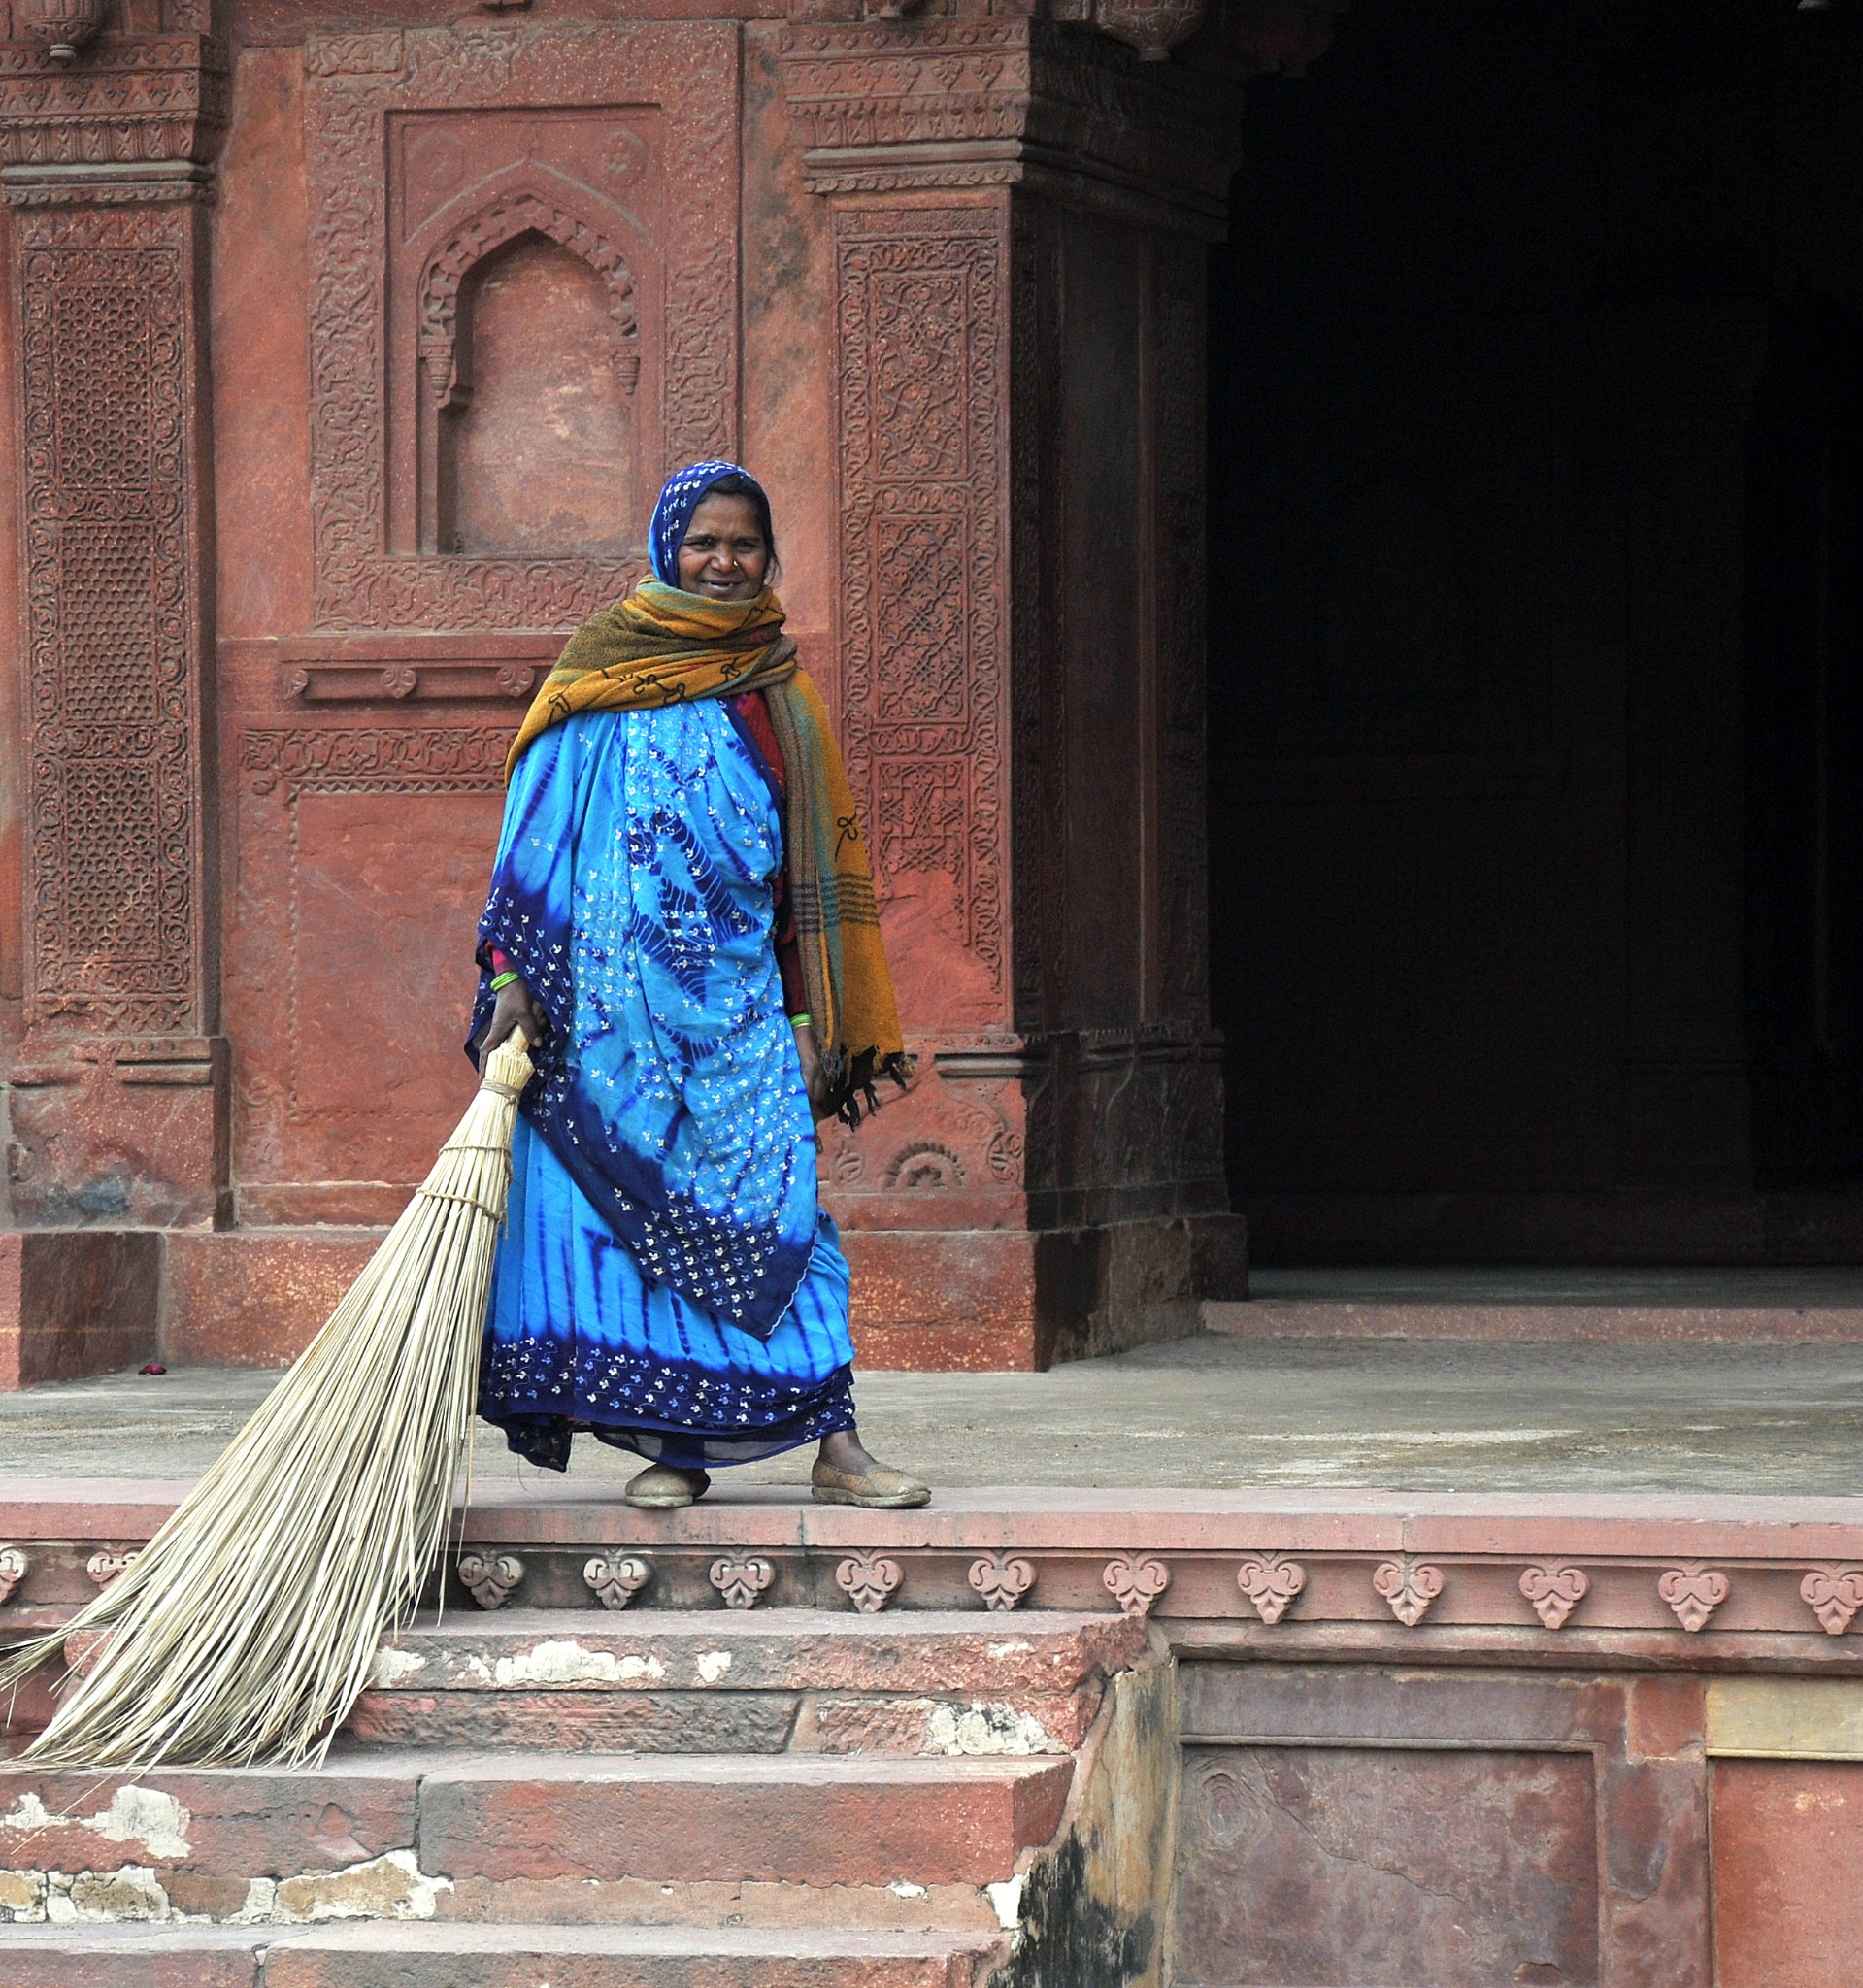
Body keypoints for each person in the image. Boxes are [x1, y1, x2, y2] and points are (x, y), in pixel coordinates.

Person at [467, 461, 929, 1511]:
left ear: (771, 556)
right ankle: (675, 1450)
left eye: (745, 544)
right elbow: (532, 847)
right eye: (704, 542)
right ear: (665, 546)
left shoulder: (778, 690)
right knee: (643, 1231)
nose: (723, 562)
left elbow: (802, 879)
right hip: (608, 1014)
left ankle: (838, 1445)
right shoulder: (598, 672)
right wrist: (512, 982)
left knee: (786, 1216)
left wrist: (816, 1021)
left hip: (739, 1014)